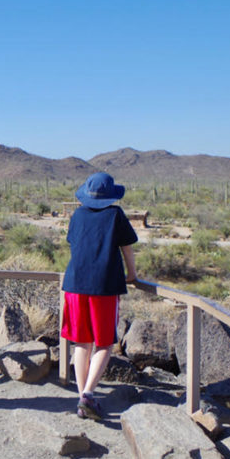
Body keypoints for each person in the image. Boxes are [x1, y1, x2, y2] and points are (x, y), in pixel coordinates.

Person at [61, 171, 138, 420]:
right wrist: (132, 274)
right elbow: (127, 248)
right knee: (104, 343)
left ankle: (82, 396)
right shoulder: (115, 215)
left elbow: (74, 243)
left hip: (75, 283)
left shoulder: (78, 214)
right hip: (104, 285)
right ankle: (88, 396)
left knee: (81, 342)